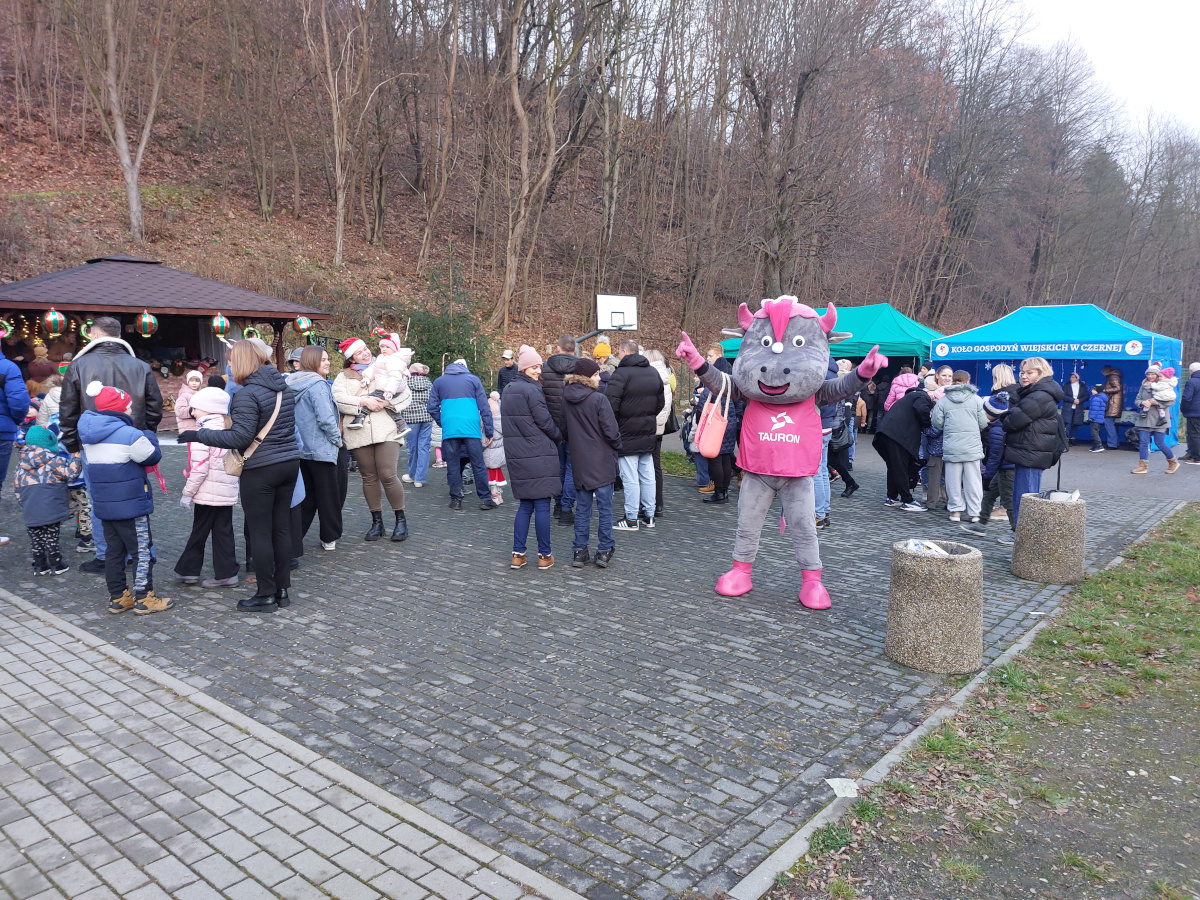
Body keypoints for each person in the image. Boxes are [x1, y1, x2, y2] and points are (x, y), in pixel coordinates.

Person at [177, 340, 299, 613]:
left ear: (242, 362)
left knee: (260, 533)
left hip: (262, 469)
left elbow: (240, 436)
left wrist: (198, 434)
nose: (229, 369)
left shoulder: (247, 394)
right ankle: (282, 591)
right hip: (289, 464)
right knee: (281, 529)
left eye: (231, 363)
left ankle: (265, 594)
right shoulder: (283, 388)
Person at [58, 316, 162, 576]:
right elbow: (154, 407)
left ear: (94, 335)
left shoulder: (79, 365)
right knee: (138, 495)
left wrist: (72, 443)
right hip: (132, 439)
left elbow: (68, 409)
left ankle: (107, 556)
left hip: (93, 443)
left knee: (100, 499)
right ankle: (143, 553)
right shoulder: (140, 366)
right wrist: (145, 435)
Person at [77, 382, 167, 614]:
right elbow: (151, 456)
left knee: (113, 551)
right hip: (131, 505)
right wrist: (149, 436)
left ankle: (118, 597)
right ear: (119, 409)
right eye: (127, 406)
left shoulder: (89, 436)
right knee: (141, 551)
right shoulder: (130, 434)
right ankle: (144, 597)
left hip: (105, 506)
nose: (130, 410)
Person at [332, 337, 409, 539]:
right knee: (368, 477)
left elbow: (405, 393)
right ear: (351, 358)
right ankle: (377, 522)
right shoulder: (343, 377)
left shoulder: (386, 364)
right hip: (359, 432)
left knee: (388, 474)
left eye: (366, 349)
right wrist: (362, 401)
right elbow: (338, 399)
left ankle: (400, 520)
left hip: (387, 429)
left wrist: (385, 403)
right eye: (359, 352)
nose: (365, 353)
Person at [502, 346, 562, 570]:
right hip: (539, 454)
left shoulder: (508, 389)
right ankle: (545, 556)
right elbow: (545, 421)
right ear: (525, 368)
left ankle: (518, 555)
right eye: (535, 367)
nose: (539, 371)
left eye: (539, 367)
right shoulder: (533, 391)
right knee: (543, 506)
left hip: (517, 456)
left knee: (525, 506)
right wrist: (558, 436)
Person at [174, 387, 241, 587]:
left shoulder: (202, 433)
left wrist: (187, 493)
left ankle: (190, 570)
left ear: (208, 409)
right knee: (223, 531)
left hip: (207, 492)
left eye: (195, 408)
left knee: (200, 530)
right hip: (225, 490)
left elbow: (200, 469)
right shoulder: (229, 428)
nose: (192, 412)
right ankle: (226, 572)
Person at [564, 358, 620, 568]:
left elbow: (564, 427)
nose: (599, 378)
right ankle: (604, 550)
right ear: (587, 377)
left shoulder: (566, 398)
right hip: (601, 459)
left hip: (579, 458)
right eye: (596, 374)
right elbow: (612, 432)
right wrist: (616, 447)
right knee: (605, 507)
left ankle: (579, 550)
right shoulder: (598, 400)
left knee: (582, 508)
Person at [288, 346, 344, 550]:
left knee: (305, 498)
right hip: (321, 449)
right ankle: (329, 537)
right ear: (311, 361)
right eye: (323, 360)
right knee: (330, 497)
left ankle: (293, 540)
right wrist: (338, 440)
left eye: (328, 359)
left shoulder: (290, 382)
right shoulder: (318, 384)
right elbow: (326, 419)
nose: (328, 363)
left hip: (299, 448)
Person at [607, 339, 666, 530]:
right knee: (647, 474)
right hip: (648, 431)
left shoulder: (621, 374)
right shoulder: (653, 372)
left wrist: (615, 426)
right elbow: (661, 402)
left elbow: (610, 404)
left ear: (624, 351)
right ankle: (649, 516)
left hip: (626, 432)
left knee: (630, 476)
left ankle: (631, 518)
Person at [1002, 357, 1065, 525]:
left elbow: (1012, 422)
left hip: (1030, 452)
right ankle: (1021, 533)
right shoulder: (1036, 393)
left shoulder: (1038, 396)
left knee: (1027, 499)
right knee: (1024, 497)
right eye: (1022, 372)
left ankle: (1025, 535)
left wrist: (1002, 415)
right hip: (1029, 450)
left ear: (1041, 373)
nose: (1024, 376)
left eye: (1030, 372)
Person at [428, 358, 495, 511]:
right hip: (471, 428)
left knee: (452, 465)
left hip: (450, 428)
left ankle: (456, 499)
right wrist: (489, 431)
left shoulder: (439, 382)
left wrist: (443, 423)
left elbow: (432, 408)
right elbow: (484, 407)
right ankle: (485, 499)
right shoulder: (473, 380)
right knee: (478, 464)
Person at [14, 425, 81, 576]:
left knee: (35, 536)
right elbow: (71, 474)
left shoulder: (20, 463)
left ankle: (40, 564)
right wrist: (76, 458)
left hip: (30, 505)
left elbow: (16, 486)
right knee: (51, 534)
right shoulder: (54, 461)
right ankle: (56, 563)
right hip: (52, 505)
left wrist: (23, 503)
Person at [932, 371, 988, 525]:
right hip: (972, 446)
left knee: (953, 480)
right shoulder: (976, 400)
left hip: (952, 445)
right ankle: (975, 513)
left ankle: (955, 510)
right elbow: (983, 422)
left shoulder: (943, 401)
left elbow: (936, 422)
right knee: (974, 481)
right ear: (968, 380)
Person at [874, 375, 932, 511]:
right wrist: (927, 424)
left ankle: (892, 497)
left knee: (894, 467)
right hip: (897, 436)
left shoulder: (907, 398)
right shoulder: (922, 396)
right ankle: (907, 500)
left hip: (885, 433)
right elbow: (921, 409)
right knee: (900, 467)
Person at [539, 335, 578, 525]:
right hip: (575, 427)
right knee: (572, 468)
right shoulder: (583, 368)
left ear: (557, 348)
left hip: (552, 426)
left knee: (557, 467)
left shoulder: (544, 369)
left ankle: (557, 503)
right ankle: (566, 508)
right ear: (575, 350)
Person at [695, 349, 739, 506]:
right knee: (726, 459)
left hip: (715, 425)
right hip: (730, 424)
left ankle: (718, 492)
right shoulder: (733, 383)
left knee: (715, 460)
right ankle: (725, 491)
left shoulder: (714, 384)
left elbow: (702, 406)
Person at [348, 334, 412, 432]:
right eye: (382, 347)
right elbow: (374, 369)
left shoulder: (394, 360)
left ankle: (360, 418)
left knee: (372, 398)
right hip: (385, 387)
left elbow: (395, 376)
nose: (384, 349)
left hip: (388, 388)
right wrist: (367, 378)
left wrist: (390, 391)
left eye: (387, 347)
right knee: (380, 403)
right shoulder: (381, 358)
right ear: (351, 358)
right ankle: (402, 425)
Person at [975, 391, 1015, 542]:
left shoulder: (997, 430)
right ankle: (980, 524)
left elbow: (995, 457)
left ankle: (1015, 531)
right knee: (990, 495)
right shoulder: (1001, 424)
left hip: (1006, 469)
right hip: (1004, 467)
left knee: (1008, 501)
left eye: (985, 411)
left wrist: (987, 476)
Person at [1130, 366, 1179, 475]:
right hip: (1145, 418)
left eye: (1153, 374)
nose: (1150, 376)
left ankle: (1173, 462)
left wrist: (1156, 403)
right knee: (1143, 443)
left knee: (1160, 443)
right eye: (1148, 374)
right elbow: (1137, 400)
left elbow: (1171, 402)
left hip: (1160, 420)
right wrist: (1142, 403)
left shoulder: (1165, 385)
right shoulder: (1144, 386)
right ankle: (1143, 466)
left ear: (1157, 375)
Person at [645, 349, 675, 517]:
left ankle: (650, 503)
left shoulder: (652, 378)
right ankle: (658, 504)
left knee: (647, 466)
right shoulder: (666, 377)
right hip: (659, 426)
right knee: (656, 466)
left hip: (650, 426)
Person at [402, 362, 434, 485]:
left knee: (412, 447)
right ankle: (419, 479)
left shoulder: (406, 383)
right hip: (426, 418)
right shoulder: (429, 384)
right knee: (424, 447)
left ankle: (412, 474)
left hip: (410, 419)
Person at [826, 395, 858, 498]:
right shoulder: (837, 393)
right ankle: (850, 483)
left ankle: (850, 483)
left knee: (831, 460)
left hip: (832, 430)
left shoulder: (835, 394)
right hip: (833, 428)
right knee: (830, 460)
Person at [484, 391, 506, 504]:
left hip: (488, 455)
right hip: (499, 455)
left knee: (491, 475)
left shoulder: (485, 425)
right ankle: (499, 495)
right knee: (497, 472)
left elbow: (483, 442)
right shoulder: (502, 423)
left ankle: (494, 493)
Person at [1060, 372, 1089, 444]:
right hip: (1068, 407)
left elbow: (1086, 396)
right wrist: (1072, 400)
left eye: (1073, 377)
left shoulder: (1082, 386)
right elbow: (1062, 395)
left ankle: (1072, 438)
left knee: (1075, 423)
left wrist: (1079, 400)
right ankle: (1065, 438)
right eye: (1071, 377)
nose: (1071, 379)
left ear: (1077, 378)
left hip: (1078, 407)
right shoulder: (1066, 385)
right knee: (1067, 423)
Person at [1100, 365, 1125, 448]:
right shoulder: (1115, 376)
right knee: (1111, 424)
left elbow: (1117, 388)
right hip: (1114, 403)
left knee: (1108, 423)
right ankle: (1114, 443)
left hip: (1112, 404)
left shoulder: (1113, 377)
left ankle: (1112, 444)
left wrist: (1104, 390)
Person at [1182, 362, 1200, 464]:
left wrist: (1184, 409)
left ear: (1191, 371)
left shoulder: (1191, 382)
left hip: (1194, 412)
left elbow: (1187, 398)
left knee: (1194, 435)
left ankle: (1196, 458)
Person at [1087, 383, 1108, 452]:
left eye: (1094, 389)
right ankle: (1095, 446)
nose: (1092, 391)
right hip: (1098, 419)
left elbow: (1095, 410)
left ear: (1098, 391)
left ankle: (1099, 445)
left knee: (1094, 433)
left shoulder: (1096, 399)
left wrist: (1091, 418)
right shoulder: (1101, 398)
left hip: (1095, 419)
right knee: (1096, 432)